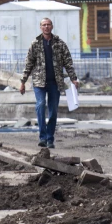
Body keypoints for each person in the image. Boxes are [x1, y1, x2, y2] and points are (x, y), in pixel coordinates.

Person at [20, 18, 79, 148]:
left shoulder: (60, 44)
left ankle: (50, 138)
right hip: (39, 82)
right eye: (43, 25)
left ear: (52, 26)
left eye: (48, 24)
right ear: (40, 27)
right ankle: (42, 137)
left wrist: (74, 78)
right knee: (40, 105)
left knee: (53, 111)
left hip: (55, 82)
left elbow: (68, 63)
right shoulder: (35, 44)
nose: (46, 27)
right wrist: (23, 81)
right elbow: (29, 63)